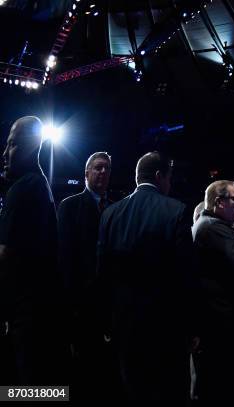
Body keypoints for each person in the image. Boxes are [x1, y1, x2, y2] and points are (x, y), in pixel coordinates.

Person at [97, 152, 198, 405]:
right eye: (169, 178)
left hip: (124, 326)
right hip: (166, 330)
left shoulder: (110, 214)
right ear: (159, 176)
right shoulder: (177, 211)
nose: (170, 184)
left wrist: (107, 322)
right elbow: (185, 276)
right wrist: (191, 328)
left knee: (133, 393)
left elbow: (103, 273)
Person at [0, 116, 66, 384]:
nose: (5, 153)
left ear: (29, 146)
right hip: (41, 313)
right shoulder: (40, 185)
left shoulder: (23, 188)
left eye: (13, 145)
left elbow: (5, 254)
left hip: (25, 315)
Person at [192, 180, 234, 406]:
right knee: (222, 385)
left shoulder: (208, 223)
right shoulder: (212, 227)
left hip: (215, 320)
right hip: (219, 321)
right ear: (219, 202)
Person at [57, 151, 115, 401]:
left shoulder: (115, 208)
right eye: (98, 168)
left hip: (110, 304)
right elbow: (65, 258)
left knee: (106, 372)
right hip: (82, 304)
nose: (103, 173)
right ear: (86, 173)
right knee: (83, 371)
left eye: (107, 169)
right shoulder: (69, 206)